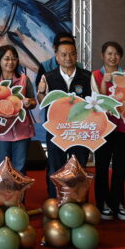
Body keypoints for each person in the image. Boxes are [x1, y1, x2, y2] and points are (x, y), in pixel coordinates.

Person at [36, 40, 92, 198]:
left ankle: (79, 200)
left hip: (80, 131)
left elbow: (94, 102)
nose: (68, 58)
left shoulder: (87, 77)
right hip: (56, 131)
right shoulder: (49, 77)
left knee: (79, 167)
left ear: (76, 55)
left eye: (72, 54)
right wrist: (41, 93)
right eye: (64, 54)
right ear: (57, 57)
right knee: (56, 167)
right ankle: (55, 200)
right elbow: (43, 102)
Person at [90, 41, 125, 221]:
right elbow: (97, 102)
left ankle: (118, 203)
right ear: (102, 55)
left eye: (116, 54)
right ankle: (102, 203)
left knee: (120, 168)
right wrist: (104, 82)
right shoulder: (95, 75)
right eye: (109, 53)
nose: (113, 57)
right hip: (104, 127)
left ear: (121, 57)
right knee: (101, 167)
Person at [0, 45, 37, 175]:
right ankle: (5, 190)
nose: (10, 62)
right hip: (1, 132)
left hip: (22, 131)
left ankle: (19, 190)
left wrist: (29, 103)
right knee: (3, 169)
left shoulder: (24, 79)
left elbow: (33, 102)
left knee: (20, 168)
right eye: (6, 59)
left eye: (14, 58)